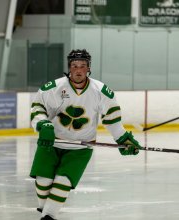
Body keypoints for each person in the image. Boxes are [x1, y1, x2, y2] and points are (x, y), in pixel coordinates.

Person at [30, 49, 142, 220]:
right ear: (69, 67)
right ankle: (46, 211)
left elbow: (112, 119)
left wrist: (123, 138)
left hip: (80, 149)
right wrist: (42, 124)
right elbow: (38, 107)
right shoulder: (55, 87)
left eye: (82, 66)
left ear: (88, 68)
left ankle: (48, 216)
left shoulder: (101, 91)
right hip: (50, 144)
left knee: (63, 182)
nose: (78, 70)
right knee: (43, 181)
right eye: (74, 66)